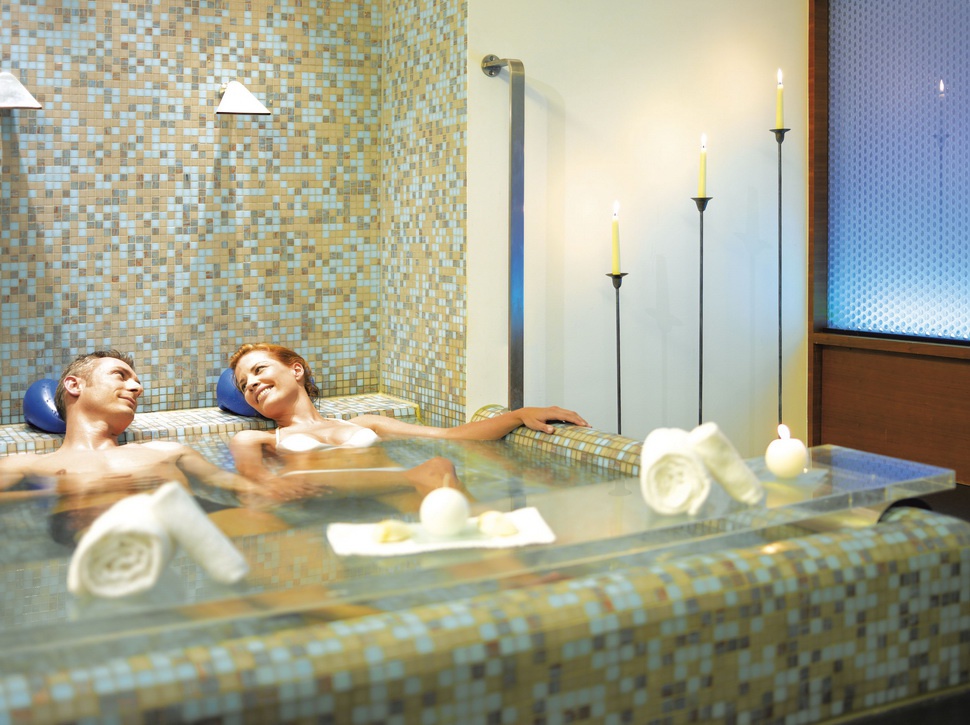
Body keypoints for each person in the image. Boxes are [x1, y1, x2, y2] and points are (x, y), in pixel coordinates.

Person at [226, 343, 590, 499]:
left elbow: (451, 435)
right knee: (436, 469)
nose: (252, 384)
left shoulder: (367, 423)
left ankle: (517, 580)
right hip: (325, 500)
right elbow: (257, 479)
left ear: (296, 370)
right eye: (244, 385)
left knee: (440, 470)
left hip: (390, 496)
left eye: (259, 370)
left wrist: (518, 415)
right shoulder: (257, 439)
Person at [0, 351, 284, 545]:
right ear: (75, 385)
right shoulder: (27, 464)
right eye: (120, 375)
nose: (137, 388)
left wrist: (277, 488)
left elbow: (233, 485)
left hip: (192, 525)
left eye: (136, 381)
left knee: (266, 526)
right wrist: (58, 490)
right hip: (98, 538)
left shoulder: (168, 451)